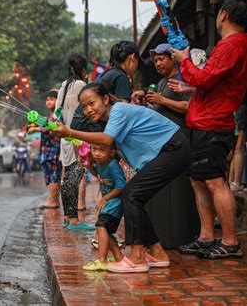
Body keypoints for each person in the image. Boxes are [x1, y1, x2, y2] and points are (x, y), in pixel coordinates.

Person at [51, 83, 190, 273]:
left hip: (174, 147)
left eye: (92, 103)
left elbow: (106, 140)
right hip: (169, 150)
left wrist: (68, 132)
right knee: (134, 197)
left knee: (131, 194)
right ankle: (157, 253)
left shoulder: (119, 111)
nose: (88, 110)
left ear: (106, 99)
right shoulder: (111, 121)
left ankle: (137, 257)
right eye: (84, 107)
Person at [172, 0, 247, 259]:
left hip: (213, 122)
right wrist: (190, 86)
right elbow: (213, 83)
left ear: (224, 14)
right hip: (205, 119)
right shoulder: (234, 45)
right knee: (199, 180)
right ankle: (207, 236)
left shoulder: (232, 44)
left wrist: (184, 60)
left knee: (215, 181)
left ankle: (229, 242)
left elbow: (204, 78)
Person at [55, 53, 94, 231]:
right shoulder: (81, 85)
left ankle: (68, 218)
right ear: (83, 69)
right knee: (75, 176)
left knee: (68, 176)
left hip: (65, 136)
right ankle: (74, 221)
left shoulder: (64, 85)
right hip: (77, 136)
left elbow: (57, 112)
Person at [82, 143, 125, 271]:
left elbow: (121, 186)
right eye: (94, 149)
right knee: (105, 230)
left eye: (102, 150)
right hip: (109, 203)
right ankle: (119, 258)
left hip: (114, 203)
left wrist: (105, 198)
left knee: (101, 226)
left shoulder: (113, 165)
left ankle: (102, 260)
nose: (97, 153)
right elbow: (99, 177)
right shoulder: (101, 163)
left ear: (112, 153)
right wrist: (87, 165)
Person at [145, 43, 190, 135]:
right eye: (155, 61)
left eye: (161, 59)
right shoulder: (161, 82)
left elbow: (188, 106)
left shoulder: (182, 79)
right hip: (163, 135)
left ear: (173, 59)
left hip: (179, 136)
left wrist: (162, 100)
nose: (157, 64)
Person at [28, 89, 62, 209]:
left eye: (52, 99)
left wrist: (35, 129)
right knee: (50, 174)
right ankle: (53, 200)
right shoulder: (51, 116)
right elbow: (46, 124)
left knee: (53, 174)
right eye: (47, 100)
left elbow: (51, 128)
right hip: (48, 150)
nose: (48, 102)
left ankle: (53, 201)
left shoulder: (57, 114)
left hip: (53, 150)